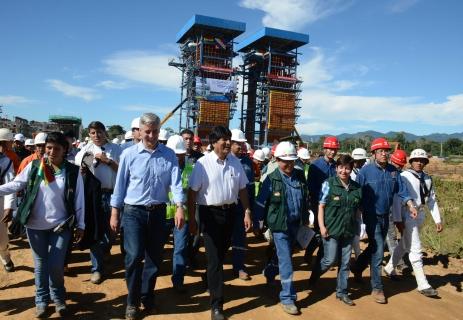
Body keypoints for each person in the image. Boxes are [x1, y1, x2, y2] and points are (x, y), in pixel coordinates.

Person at [0, 132, 85, 317]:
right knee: (40, 265)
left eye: (56, 148)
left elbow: (79, 200)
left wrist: (81, 224)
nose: (51, 152)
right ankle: (41, 300)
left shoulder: (72, 171)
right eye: (48, 148)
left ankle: (59, 298)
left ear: (65, 150)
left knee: (55, 265)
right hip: (34, 225)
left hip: (61, 225)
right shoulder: (35, 166)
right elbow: (16, 185)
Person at [110, 113, 184, 320]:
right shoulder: (129, 155)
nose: (151, 135)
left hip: (158, 212)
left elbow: (176, 184)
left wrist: (179, 207)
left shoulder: (168, 155)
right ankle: (132, 302)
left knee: (154, 258)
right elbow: (120, 186)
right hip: (134, 212)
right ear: (140, 132)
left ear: (159, 132)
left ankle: (147, 296)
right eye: (147, 131)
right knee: (133, 257)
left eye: (155, 131)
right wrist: (115, 213)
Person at [187, 125, 251, 320]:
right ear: (214, 142)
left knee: (221, 255)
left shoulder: (235, 163)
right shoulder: (202, 164)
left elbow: (242, 189)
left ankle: (209, 278)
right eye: (224, 139)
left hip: (230, 213)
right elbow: (192, 193)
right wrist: (192, 220)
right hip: (209, 214)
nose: (228, 142)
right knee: (215, 259)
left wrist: (247, 211)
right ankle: (217, 305)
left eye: (229, 139)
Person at [351, 138, 417, 304]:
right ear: (373, 153)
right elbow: (356, 194)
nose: (384, 153)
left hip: (385, 216)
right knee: (379, 249)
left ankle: (357, 267)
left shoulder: (393, 171)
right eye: (380, 151)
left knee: (374, 246)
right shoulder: (365, 172)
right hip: (371, 216)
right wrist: (355, 215)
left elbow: (402, 190)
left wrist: (410, 205)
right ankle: (377, 287)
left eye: (386, 151)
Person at [255, 141, 309, 315]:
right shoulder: (271, 179)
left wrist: (306, 218)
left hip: (295, 224)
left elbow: (305, 199)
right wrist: (258, 223)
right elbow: (260, 204)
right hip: (279, 226)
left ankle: (270, 271)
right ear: (277, 160)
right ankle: (287, 297)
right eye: (285, 161)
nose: (289, 164)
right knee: (286, 260)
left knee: (283, 257)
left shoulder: (300, 176)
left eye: (292, 161)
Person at [385, 149, 442, 297]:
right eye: (416, 160)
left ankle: (389, 267)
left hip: (420, 214)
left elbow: (431, 200)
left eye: (422, 160)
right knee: (415, 248)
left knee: (404, 244)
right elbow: (397, 200)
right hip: (407, 214)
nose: (419, 162)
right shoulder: (403, 176)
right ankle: (423, 284)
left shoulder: (428, 179)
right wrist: (398, 220)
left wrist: (437, 219)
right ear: (410, 162)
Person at [309, 155, 362, 306]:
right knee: (329, 260)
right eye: (341, 167)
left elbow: (357, 211)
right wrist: (322, 226)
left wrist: (359, 228)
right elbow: (321, 206)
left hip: (348, 230)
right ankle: (316, 273)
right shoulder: (329, 184)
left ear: (351, 170)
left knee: (345, 263)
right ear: (336, 168)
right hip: (331, 229)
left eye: (347, 168)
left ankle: (342, 292)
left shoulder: (356, 188)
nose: (344, 171)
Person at [76, 121, 121, 284]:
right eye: (93, 133)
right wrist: (81, 171)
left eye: (99, 132)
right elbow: (78, 171)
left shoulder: (116, 149)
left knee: (112, 231)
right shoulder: (85, 151)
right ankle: (96, 268)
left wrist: (107, 161)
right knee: (95, 231)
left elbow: (123, 171)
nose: (96, 136)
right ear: (89, 134)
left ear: (105, 132)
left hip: (113, 194)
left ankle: (105, 250)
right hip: (93, 195)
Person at [164, 134, 192, 293]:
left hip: (183, 216)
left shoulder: (191, 168)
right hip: (163, 214)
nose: (177, 157)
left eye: (180, 154)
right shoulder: (161, 165)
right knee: (155, 247)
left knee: (180, 248)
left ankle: (178, 280)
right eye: (175, 154)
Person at [305, 136, 339, 264]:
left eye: (334, 149)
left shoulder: (336, 166)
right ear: (324, 149)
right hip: (318, 203)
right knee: (320, 230)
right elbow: (311, 186)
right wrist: (320, 201)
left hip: (333, 205)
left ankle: (320, 255)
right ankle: (312, 253)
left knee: (326, 230)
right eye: (330, 149)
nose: (332, 152)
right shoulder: (315, 166)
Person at [230, 129, 254, 281]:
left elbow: (250, 188)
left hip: (241, 206)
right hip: (225, 206)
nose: (240, 146)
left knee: (240, 237)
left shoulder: (247, 163)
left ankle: (239, 266)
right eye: (237, 144)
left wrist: (249, 210)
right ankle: (214, 271)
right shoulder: (224, 160)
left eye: (242, 143)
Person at [0, 139, 16, 272]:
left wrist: (8, 207)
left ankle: (5, 257)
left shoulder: (6, 162)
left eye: (3, 144)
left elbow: (10, 184)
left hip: (0, 201)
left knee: (2, 239)